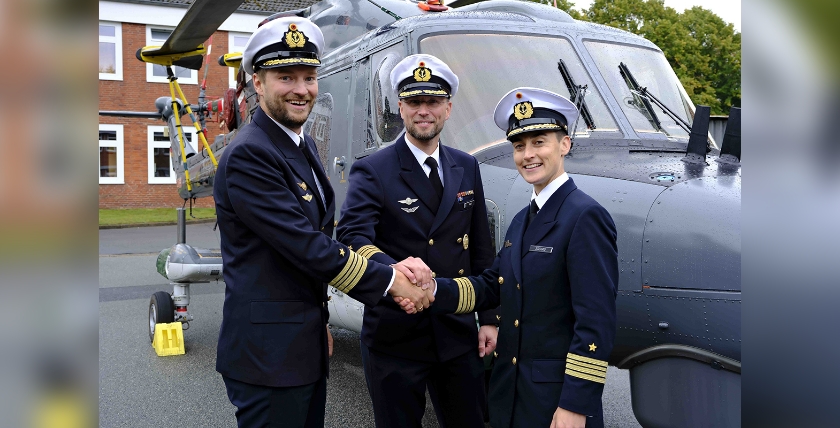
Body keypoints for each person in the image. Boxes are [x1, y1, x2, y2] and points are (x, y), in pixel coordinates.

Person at [213, 17, 430, 428]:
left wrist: (316, 325)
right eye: (285, 76)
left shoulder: (301, 143)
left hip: (298, 344)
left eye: (309, 77)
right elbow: (306, 247)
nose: (301, 89)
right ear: (257, 83)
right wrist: (391, 281)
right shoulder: (249, 155)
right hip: (268, 356)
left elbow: (314, 239)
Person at [422, 87, 619, 428]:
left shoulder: (584, 216)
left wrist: (575, 404)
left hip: (555, 403)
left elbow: (595, 323)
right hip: (511, 394)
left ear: (565, 145)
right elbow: (491, 286)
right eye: (519, 145)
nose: (528, 154)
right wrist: (433, 290)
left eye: (539, 142)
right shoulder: (522, 219)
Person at [337, 54, 499, 428]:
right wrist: (394, 271)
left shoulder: (466, 165)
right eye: (414, 102)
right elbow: (351, 235)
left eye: (433, 102)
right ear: (400, 107)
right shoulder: (373, 168)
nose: (423, 111)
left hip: (456, 331)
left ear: (448, 107)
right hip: (395, 333)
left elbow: (480, 247)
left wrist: (489, 318)